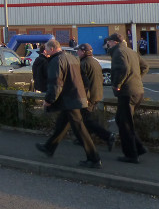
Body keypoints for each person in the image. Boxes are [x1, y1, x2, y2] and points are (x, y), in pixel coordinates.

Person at [35, 39, 102, 168]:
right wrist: (85, 95)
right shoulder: (72, 58)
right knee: (62, 124)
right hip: (76, 97)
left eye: (47, 49)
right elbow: (84, 79)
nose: (46, 52)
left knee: (80, 130)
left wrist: (49, 100)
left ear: (53, 49)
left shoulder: (56, 61)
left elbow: (56, 82)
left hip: (69, 99)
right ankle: (49, 147)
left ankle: (94, 158)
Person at [106, 33, 149, 163]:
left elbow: (122, 68)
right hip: (137, 91)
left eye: (108, 42)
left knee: (125, 124)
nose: (107, 45)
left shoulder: (118, 52)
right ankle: (139, 147)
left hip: (127, 92)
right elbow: (145, 66)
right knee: (121, 120)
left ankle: (131, 155)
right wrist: (136, 79)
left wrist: (118, 84)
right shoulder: (131, 51)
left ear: (113, 42)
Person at [76, 43, 115, 151]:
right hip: (97, 93)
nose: (77, 53)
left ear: (83, 51)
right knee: (86, 118)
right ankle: (84, 139)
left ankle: (107, 136)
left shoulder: (84, 63)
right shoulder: (94, 62)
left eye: (78, 51)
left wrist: (85, 98)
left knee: (87, 120)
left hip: (89, 96)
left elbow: (85, 83)